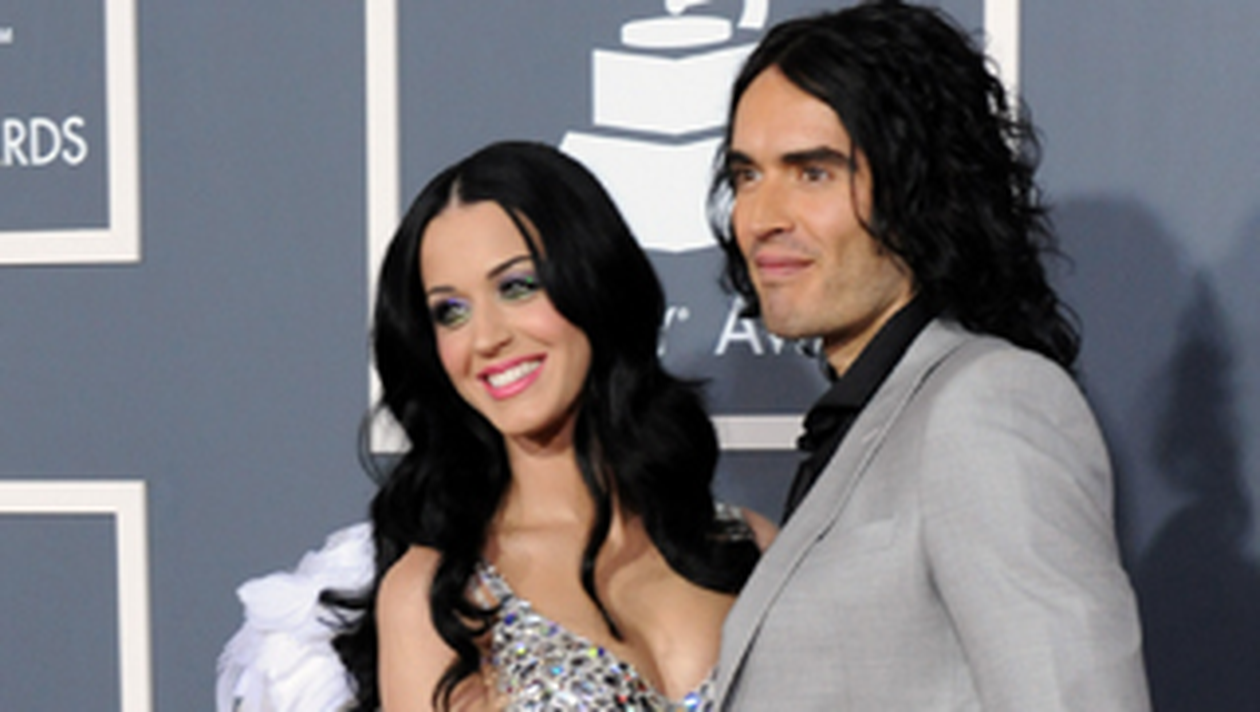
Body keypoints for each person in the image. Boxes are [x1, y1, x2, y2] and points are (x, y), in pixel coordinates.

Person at [705, 2, 1150, 709]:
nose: (761, 218)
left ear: (921, 188)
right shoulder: (870, 419)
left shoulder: (987, 403)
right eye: (746, 176)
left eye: (813, 173)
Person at [232, 141, 770, 712]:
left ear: (592, 281)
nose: (486, 338)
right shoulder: (437, 596)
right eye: (451, 312)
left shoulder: (751, 546)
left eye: (516, 287)